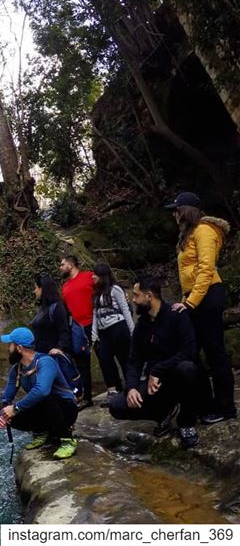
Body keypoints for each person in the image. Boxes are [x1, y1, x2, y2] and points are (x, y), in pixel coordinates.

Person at [165, 191, 236, 424]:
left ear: (187, 211)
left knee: (214, 351)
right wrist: (187, 299)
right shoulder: (189, 234)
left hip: (207, 296)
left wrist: (190, 302)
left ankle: (225, 408)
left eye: (176, 210)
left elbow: (206, 269)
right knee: (192, 351)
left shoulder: (204, 231)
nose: (174, 214)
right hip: (195, 296)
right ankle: (204, 402)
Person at [108, 276, 201, 449]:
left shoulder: (176, 315)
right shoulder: (142, 325)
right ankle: (163, 413)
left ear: (149, 296)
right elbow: (133, 361)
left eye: (136, 296)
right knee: (116, 405)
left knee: (188, 369)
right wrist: (132, 388)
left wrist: (158, 370)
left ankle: (186, 422)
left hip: (177, 376)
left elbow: (189, 352)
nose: (133, 300)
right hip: (155, 386)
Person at [0, 327, 79, 459]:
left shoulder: (45, 362)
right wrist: (1, 415)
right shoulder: (16, 369)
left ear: (19, 348)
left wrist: (16, 407)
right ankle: (42, 432)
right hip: (45, 409)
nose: (8, 349)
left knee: (45, 398)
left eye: (10, 345)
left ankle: (67, 440)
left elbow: (42, 390)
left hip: (65, 409)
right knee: (10, 416)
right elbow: (6, 398)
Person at [91, 263, 134, 401]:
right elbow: (95, 314)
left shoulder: (115, 289)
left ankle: (131, 387)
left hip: (118, 327)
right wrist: (94, 334)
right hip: (103, 331)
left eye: (95, 274)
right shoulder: (97, 294)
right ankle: (112, 389)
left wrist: (132, 330)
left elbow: (125, 309)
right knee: (104, 359)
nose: (93, 277)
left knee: (124, 358)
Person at [59, 255, 94, 408]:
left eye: (62, 264)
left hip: (95, 322)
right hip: (78, 327)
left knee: (105, 356)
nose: (60, 267)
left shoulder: (88, 276)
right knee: (82, 363)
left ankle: (117, 389)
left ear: (71, 264)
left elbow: (104, 288)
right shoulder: (65, 287)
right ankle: (86, 397)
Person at [31, 274, 73, 356]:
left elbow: (64, 331)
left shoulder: (57, 307)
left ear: (42, 288)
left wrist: (59, 348)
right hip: (40, 354)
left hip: (52, 356)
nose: (34, 291)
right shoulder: (43, 308)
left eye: (36, 288)